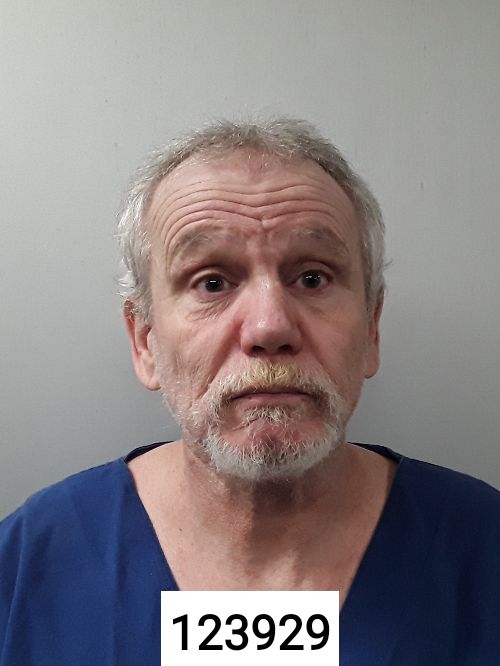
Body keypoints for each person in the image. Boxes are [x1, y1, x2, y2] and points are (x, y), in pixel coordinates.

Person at [1, 118, 499, 665]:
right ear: (145, 340)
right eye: (212, 282)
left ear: (372, 330)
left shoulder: (482, 548)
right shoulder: (26, 564)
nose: (269, 327)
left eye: (312, 278)